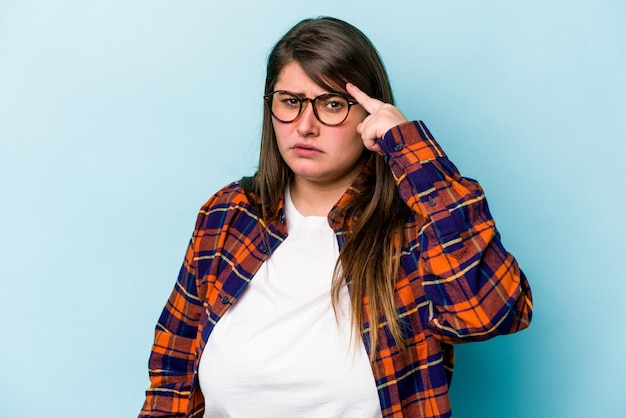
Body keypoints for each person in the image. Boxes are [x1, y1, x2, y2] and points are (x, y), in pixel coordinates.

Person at [139, 16, 533, 418]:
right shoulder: (227, 216)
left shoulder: (414, 227)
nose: (305, 127)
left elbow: (489, 313)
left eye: (331, 104)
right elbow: (173, 371)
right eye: (290, 102)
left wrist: (412, 150)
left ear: (369, 113)